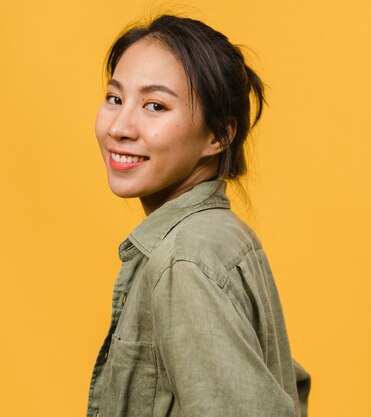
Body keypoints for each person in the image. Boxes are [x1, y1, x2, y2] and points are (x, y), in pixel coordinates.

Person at [86, 15, 310, 417]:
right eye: (115, 98)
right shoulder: (221, 237)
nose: (120, 126)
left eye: (155, 105)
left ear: (218, 136)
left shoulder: (184, 259)